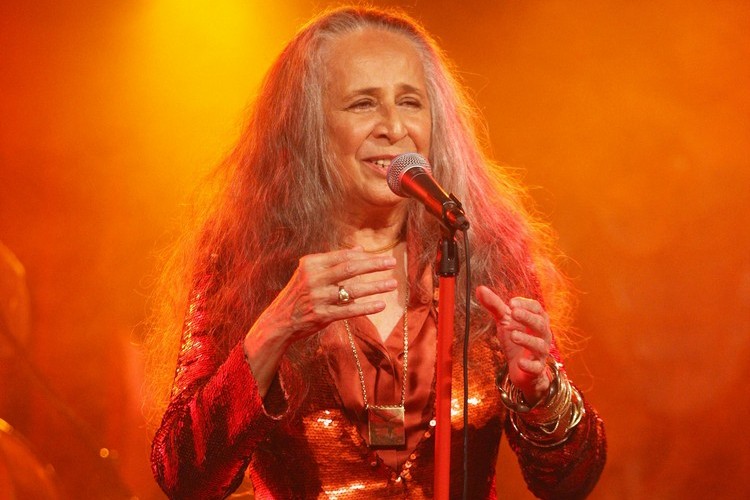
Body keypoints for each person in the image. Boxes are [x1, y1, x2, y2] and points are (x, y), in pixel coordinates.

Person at [148, 6, 606, 499]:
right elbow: (183, 478)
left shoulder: (485, 254)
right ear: (308, 128)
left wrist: (542, 392)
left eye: (410, 102)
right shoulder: (243, 260)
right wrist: (273, 330)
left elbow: (571, 483)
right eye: (363, 104)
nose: (393, 126)